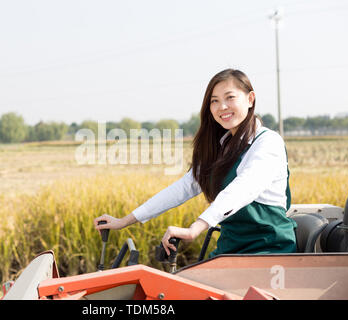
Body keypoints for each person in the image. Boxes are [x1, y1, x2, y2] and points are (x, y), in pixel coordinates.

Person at [94, 68, 297, 259]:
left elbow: (243, 189)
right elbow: (182, 188)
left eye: (230, 98)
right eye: (214, 101)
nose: (222, 107)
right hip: (229, 250)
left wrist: (196, 228)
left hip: (269, 250)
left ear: (250, 99)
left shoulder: (268, 142)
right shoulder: (222, 147)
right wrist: (124, 221)